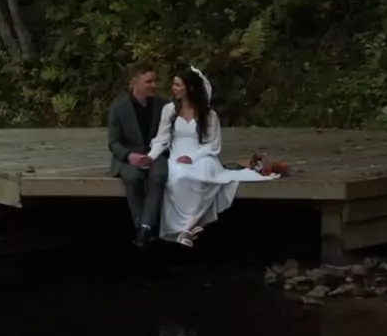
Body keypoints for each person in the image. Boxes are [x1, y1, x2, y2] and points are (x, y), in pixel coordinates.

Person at [149, 66, 280, 247]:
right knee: (178, 177)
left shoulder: (209, 115)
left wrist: (193, 158)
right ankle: (184, 227)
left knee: (202, 176)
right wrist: (150, 157)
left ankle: (189, 227)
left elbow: (213, 144)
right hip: (178, 155)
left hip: (203, 155)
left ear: (190, 88)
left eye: (178, 85)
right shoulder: (169, 110)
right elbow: (161, 139)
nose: (173, 89)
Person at [107, 61, 166, 247]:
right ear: (135, 82)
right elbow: (114, 143)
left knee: (160, 175)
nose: (154, 85)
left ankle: (145, 228)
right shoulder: (118, 108)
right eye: (149, 81)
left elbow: (169, 135)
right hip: (129, 156)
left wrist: (154, 155)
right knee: (134, 178)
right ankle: (143, 226)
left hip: (155, 154)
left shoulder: (164, 105)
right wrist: (129, 156)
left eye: (154, 81)